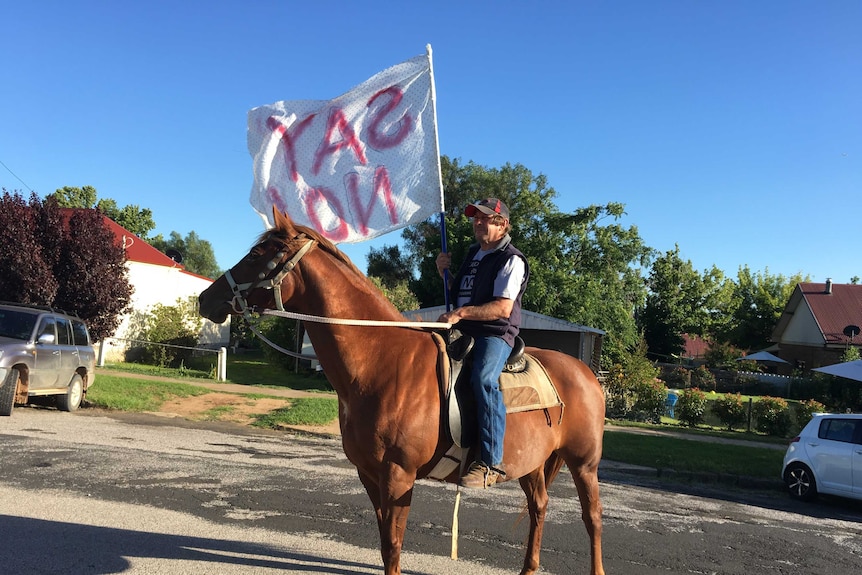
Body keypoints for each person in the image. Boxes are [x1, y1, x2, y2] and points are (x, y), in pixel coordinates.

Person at [436, 198, 529, 489]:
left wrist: (460, 313)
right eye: (475, 218)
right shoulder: (473, 254)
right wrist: (444, 274)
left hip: (494, 332)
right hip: (463, 328)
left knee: (484, 379)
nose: (478, 223)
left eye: (485, 218)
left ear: (502, 224)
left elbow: (502, 308)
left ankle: (491, 463)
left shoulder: (511, 259)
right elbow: (460, 294)